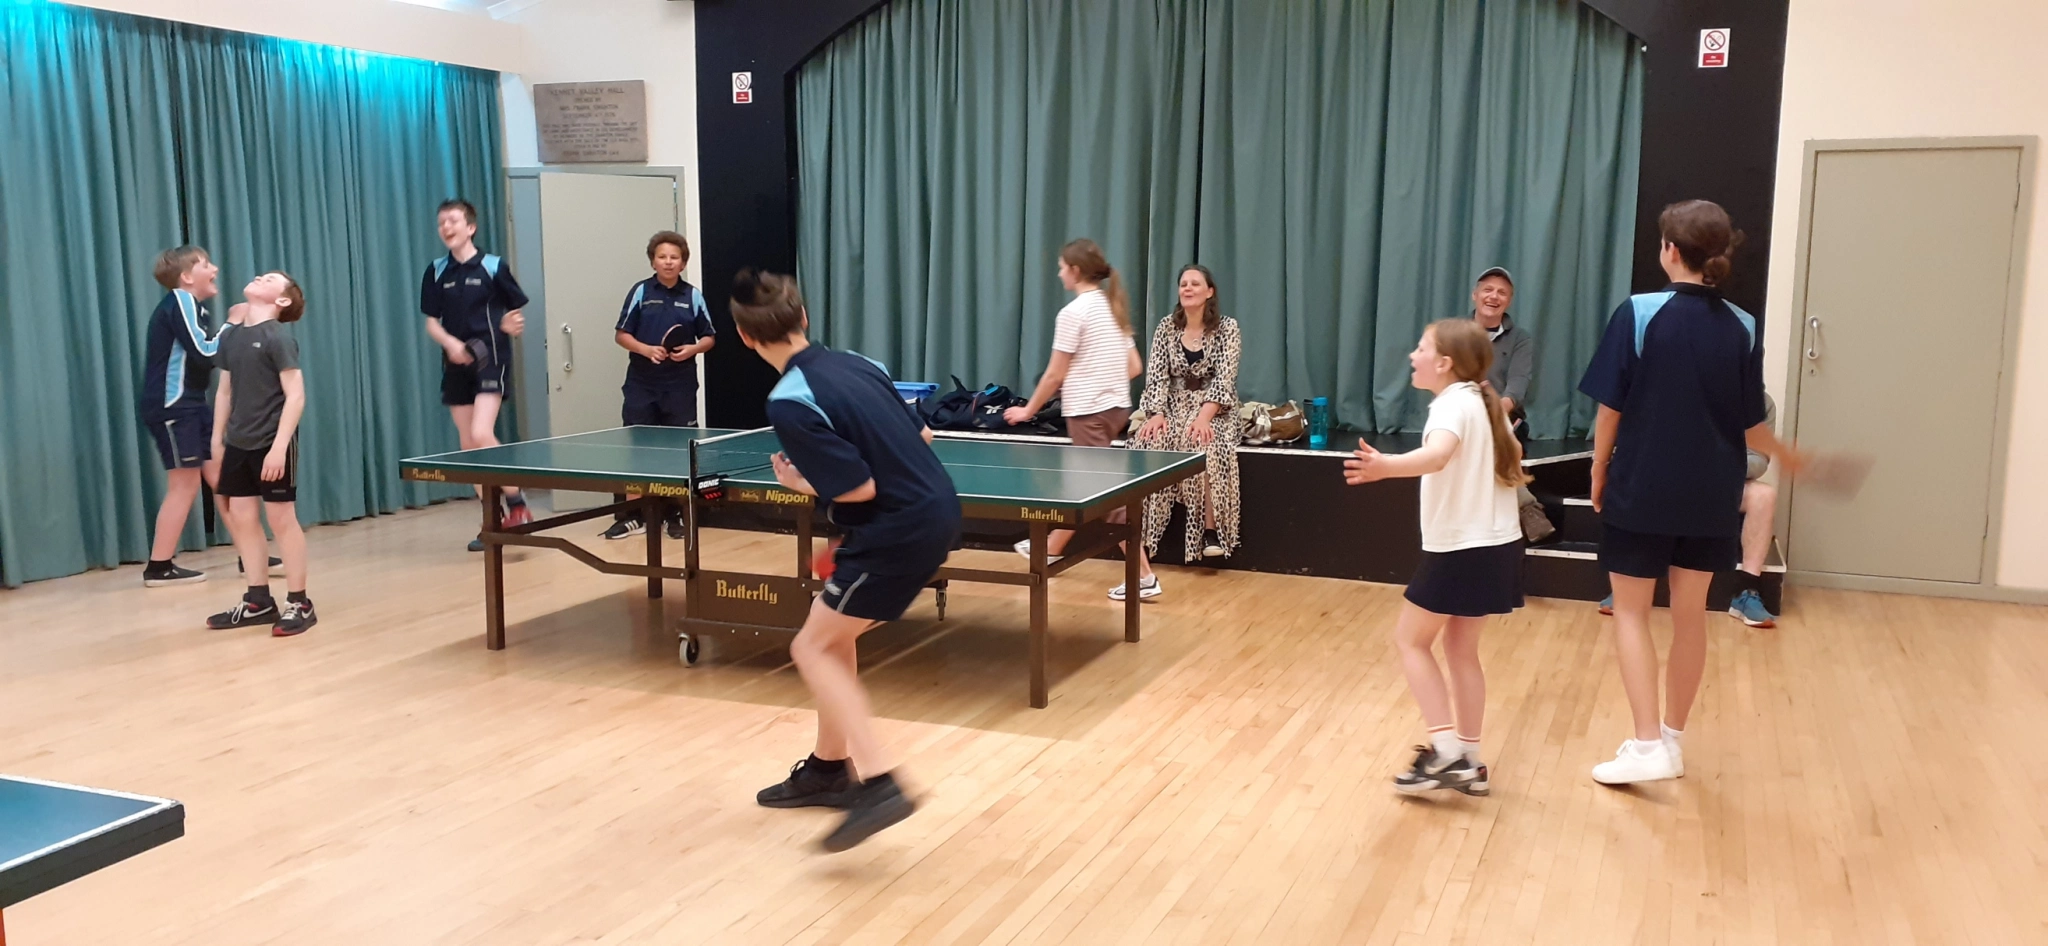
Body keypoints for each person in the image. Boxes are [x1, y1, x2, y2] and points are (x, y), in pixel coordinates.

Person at [731, 269, 960, 852]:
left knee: (808, 647)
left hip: (895, 530)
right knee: (833, 639)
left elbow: (855, 489)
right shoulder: (861, 363)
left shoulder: (788, 400)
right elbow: (925, 437)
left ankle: (881, 782)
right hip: (935, 509)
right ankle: (829, 770)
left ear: (743, 336)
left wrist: (801, 485)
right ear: (803, 316)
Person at [1577, 200, 1800, 786]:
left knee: (1630, 612)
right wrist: (1791, 456)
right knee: (1691, 617)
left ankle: (1648, 743)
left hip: (1643, 486)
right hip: (1711, 496)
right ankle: (1670, 741)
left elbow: (1610, 407)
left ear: (1669, 251)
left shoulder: (1640, 312)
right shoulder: (1744, 326)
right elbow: (1749, 423)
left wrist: (1600, 469)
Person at [1344, 319, 1527, 795]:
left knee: (1410, 641)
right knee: (1461, 649)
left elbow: (1439, 455)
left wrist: (1385, 468)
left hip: (1464, 549)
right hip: (1498, 543)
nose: (1413, 355)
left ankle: (1445, 751)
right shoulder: (1485, 404)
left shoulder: (1451, 405)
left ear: (1444, 364)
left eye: (1421, 348)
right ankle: (1468, 758)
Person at [1001, 239, 1150, 600]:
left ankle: (1143, 576)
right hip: (1115, 410)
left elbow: (1054, 375)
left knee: (1106, 496)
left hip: (1089, 413)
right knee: (1081, 483)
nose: (1058, 273)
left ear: (1075, 270)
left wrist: (1027, 411)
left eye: (1061, 266)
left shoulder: (1073, 313)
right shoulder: (1112, 307)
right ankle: (1051, 547)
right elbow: (1134, 367)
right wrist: (1097, 382)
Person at [137, 246, 279, 586]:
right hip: (174, 406)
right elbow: (205, 352)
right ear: (187, 277)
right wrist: (232, 322)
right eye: (205, 264)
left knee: (222, 477)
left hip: (191, 404)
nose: (214, 267)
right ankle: (159, 566)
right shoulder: (182, 301)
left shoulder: (193, 307)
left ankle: (250, 554)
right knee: (184, 484)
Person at [1597, 392, 1780, 628]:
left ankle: (1746, 591)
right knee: (1648, 483)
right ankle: (1631, 584)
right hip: (1672, 480)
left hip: (1723, 484)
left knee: (1764, 496)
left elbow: (1759, 459)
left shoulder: (1762, 404)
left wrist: (1716, 466)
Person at [205, 271, 317, 637]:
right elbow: (225, 390)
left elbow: (295, 396)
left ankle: (299, 601)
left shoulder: (278, 337)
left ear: (281, 301)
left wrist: (279, 448)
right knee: (241, 515)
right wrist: (217, 438)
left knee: (281, 517)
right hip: (238, 441)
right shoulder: (234, 336)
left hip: (272, 442)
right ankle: (258, 601)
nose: (257, 277)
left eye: (269, 279)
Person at [419, 198, 531, 551]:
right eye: (441, 223)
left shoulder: (495, 267)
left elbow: (516, 311)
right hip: (455, 362)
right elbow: (431, 323)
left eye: (453, 220)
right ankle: (491, 519)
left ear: (470, 227)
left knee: (483, 432)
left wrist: (512, 324)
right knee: (468, 446)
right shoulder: (436, 271)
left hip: (490, 357)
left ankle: (517, 503)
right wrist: (450, 344)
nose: (446, 227)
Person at [601, 230, 716, 542]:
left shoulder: (692, 296)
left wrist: (692, 349)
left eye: (674, 257)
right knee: (637, 452)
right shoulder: (640, 292)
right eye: (662, 256)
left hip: (679, 386)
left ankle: (676, 514)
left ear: (683, 263)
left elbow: (709, 337)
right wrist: (645, 349)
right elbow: (621, 334)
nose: (668, 261)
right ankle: (632, 517)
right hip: (641, 384)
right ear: (653, 260)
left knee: (679, 452)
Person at [1130, 264, 1242, 561]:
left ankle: (1210, 531)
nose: (1188, 289)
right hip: (1171, 405)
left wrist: (1204, 417)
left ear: (1209, 292)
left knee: (1205, 442)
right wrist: (1156, 413)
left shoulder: (1228, 328)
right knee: (1152, 440)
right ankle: (1142, 534)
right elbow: (1156, 377)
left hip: (1214, 408)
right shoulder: (1166, 327)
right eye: (1183, 284)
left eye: (1195, 284)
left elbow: (1225, 378)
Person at [1470, 267, 1534, 441]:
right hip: (1462, 422)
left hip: (1504, 425)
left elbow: (1518, 381)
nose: (1494, 296)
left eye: (1502, 292)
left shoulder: (1520, 338)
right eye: (1488, 290)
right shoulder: (1455, 334)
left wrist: (1496, 414)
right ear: (1474, 295)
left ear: (1509, 301)